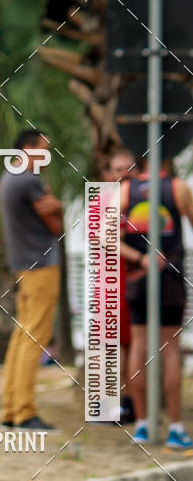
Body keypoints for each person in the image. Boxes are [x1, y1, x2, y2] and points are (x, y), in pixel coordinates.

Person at [120, 155, 193, 449]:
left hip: (139, 275)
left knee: (139, 345)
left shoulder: (125, 191)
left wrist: (140, 258)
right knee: (170, 349)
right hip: (171, 276)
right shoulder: (178, 188)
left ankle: (142, 426)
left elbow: (103, 236)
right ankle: (175, 428)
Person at [0, 129, 62, 431]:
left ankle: (11, 410)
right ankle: (24, 412)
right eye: (44, 149)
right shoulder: (30, 180)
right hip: (42, 266)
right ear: (28, 148)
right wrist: (58, 206)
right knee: (34, 338)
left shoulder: (9, 178)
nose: (48, 156)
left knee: (22, 337)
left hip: (24, 266)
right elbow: (54, 223)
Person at [102, 149, 136, 424]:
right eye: (117, 169)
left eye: (128, 168)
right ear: (107, 174)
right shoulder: (102, 200)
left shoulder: (138, 201)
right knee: (114, 347)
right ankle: (114, 405)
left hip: (135, 282)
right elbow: (99, 238)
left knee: (133, 346)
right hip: (111, 283)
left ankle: (129, 403)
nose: (123, 173)